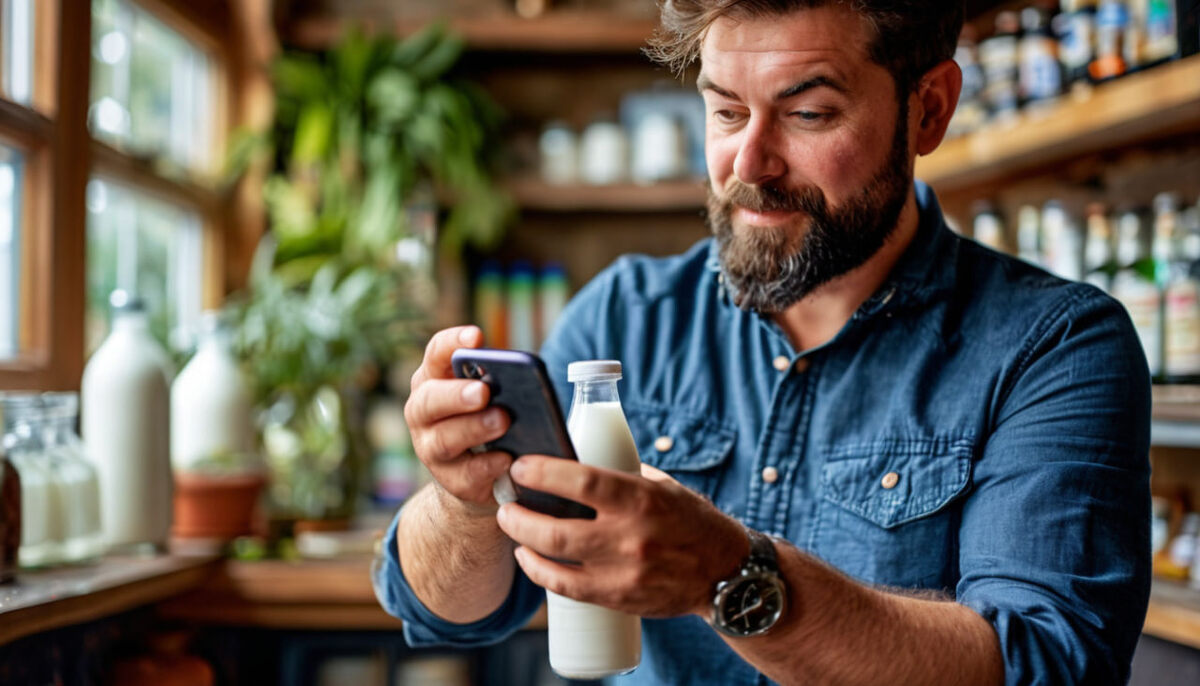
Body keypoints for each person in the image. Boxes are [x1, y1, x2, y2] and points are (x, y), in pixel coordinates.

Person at [374, 1, 1151, 684]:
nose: (747, 163)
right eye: (723, 111)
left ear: (929, 111)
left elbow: (1048, 666)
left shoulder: (1054, 347)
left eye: (807, 113)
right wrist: (463, 499)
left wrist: (731, 575)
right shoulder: (625, 316)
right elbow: (448, 612)